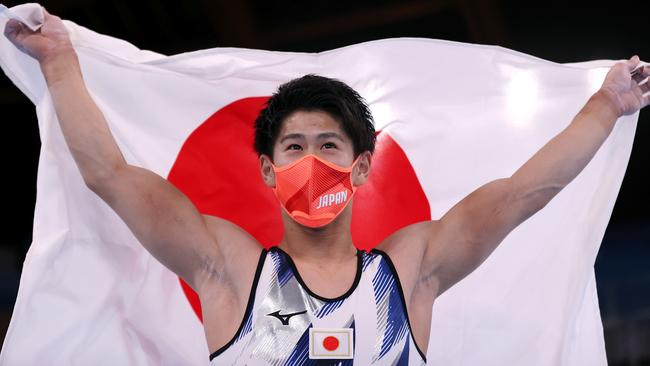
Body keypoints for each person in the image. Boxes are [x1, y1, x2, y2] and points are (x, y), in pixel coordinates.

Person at [4, 8, 649, 365]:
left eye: (330, 146)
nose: (311, 161)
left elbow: (519, 194)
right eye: (293, 148)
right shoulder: (228, 270)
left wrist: (605, 108)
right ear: (266, 169)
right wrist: (60, 61)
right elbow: (110, 177)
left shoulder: (408, 270)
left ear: (362, 166)